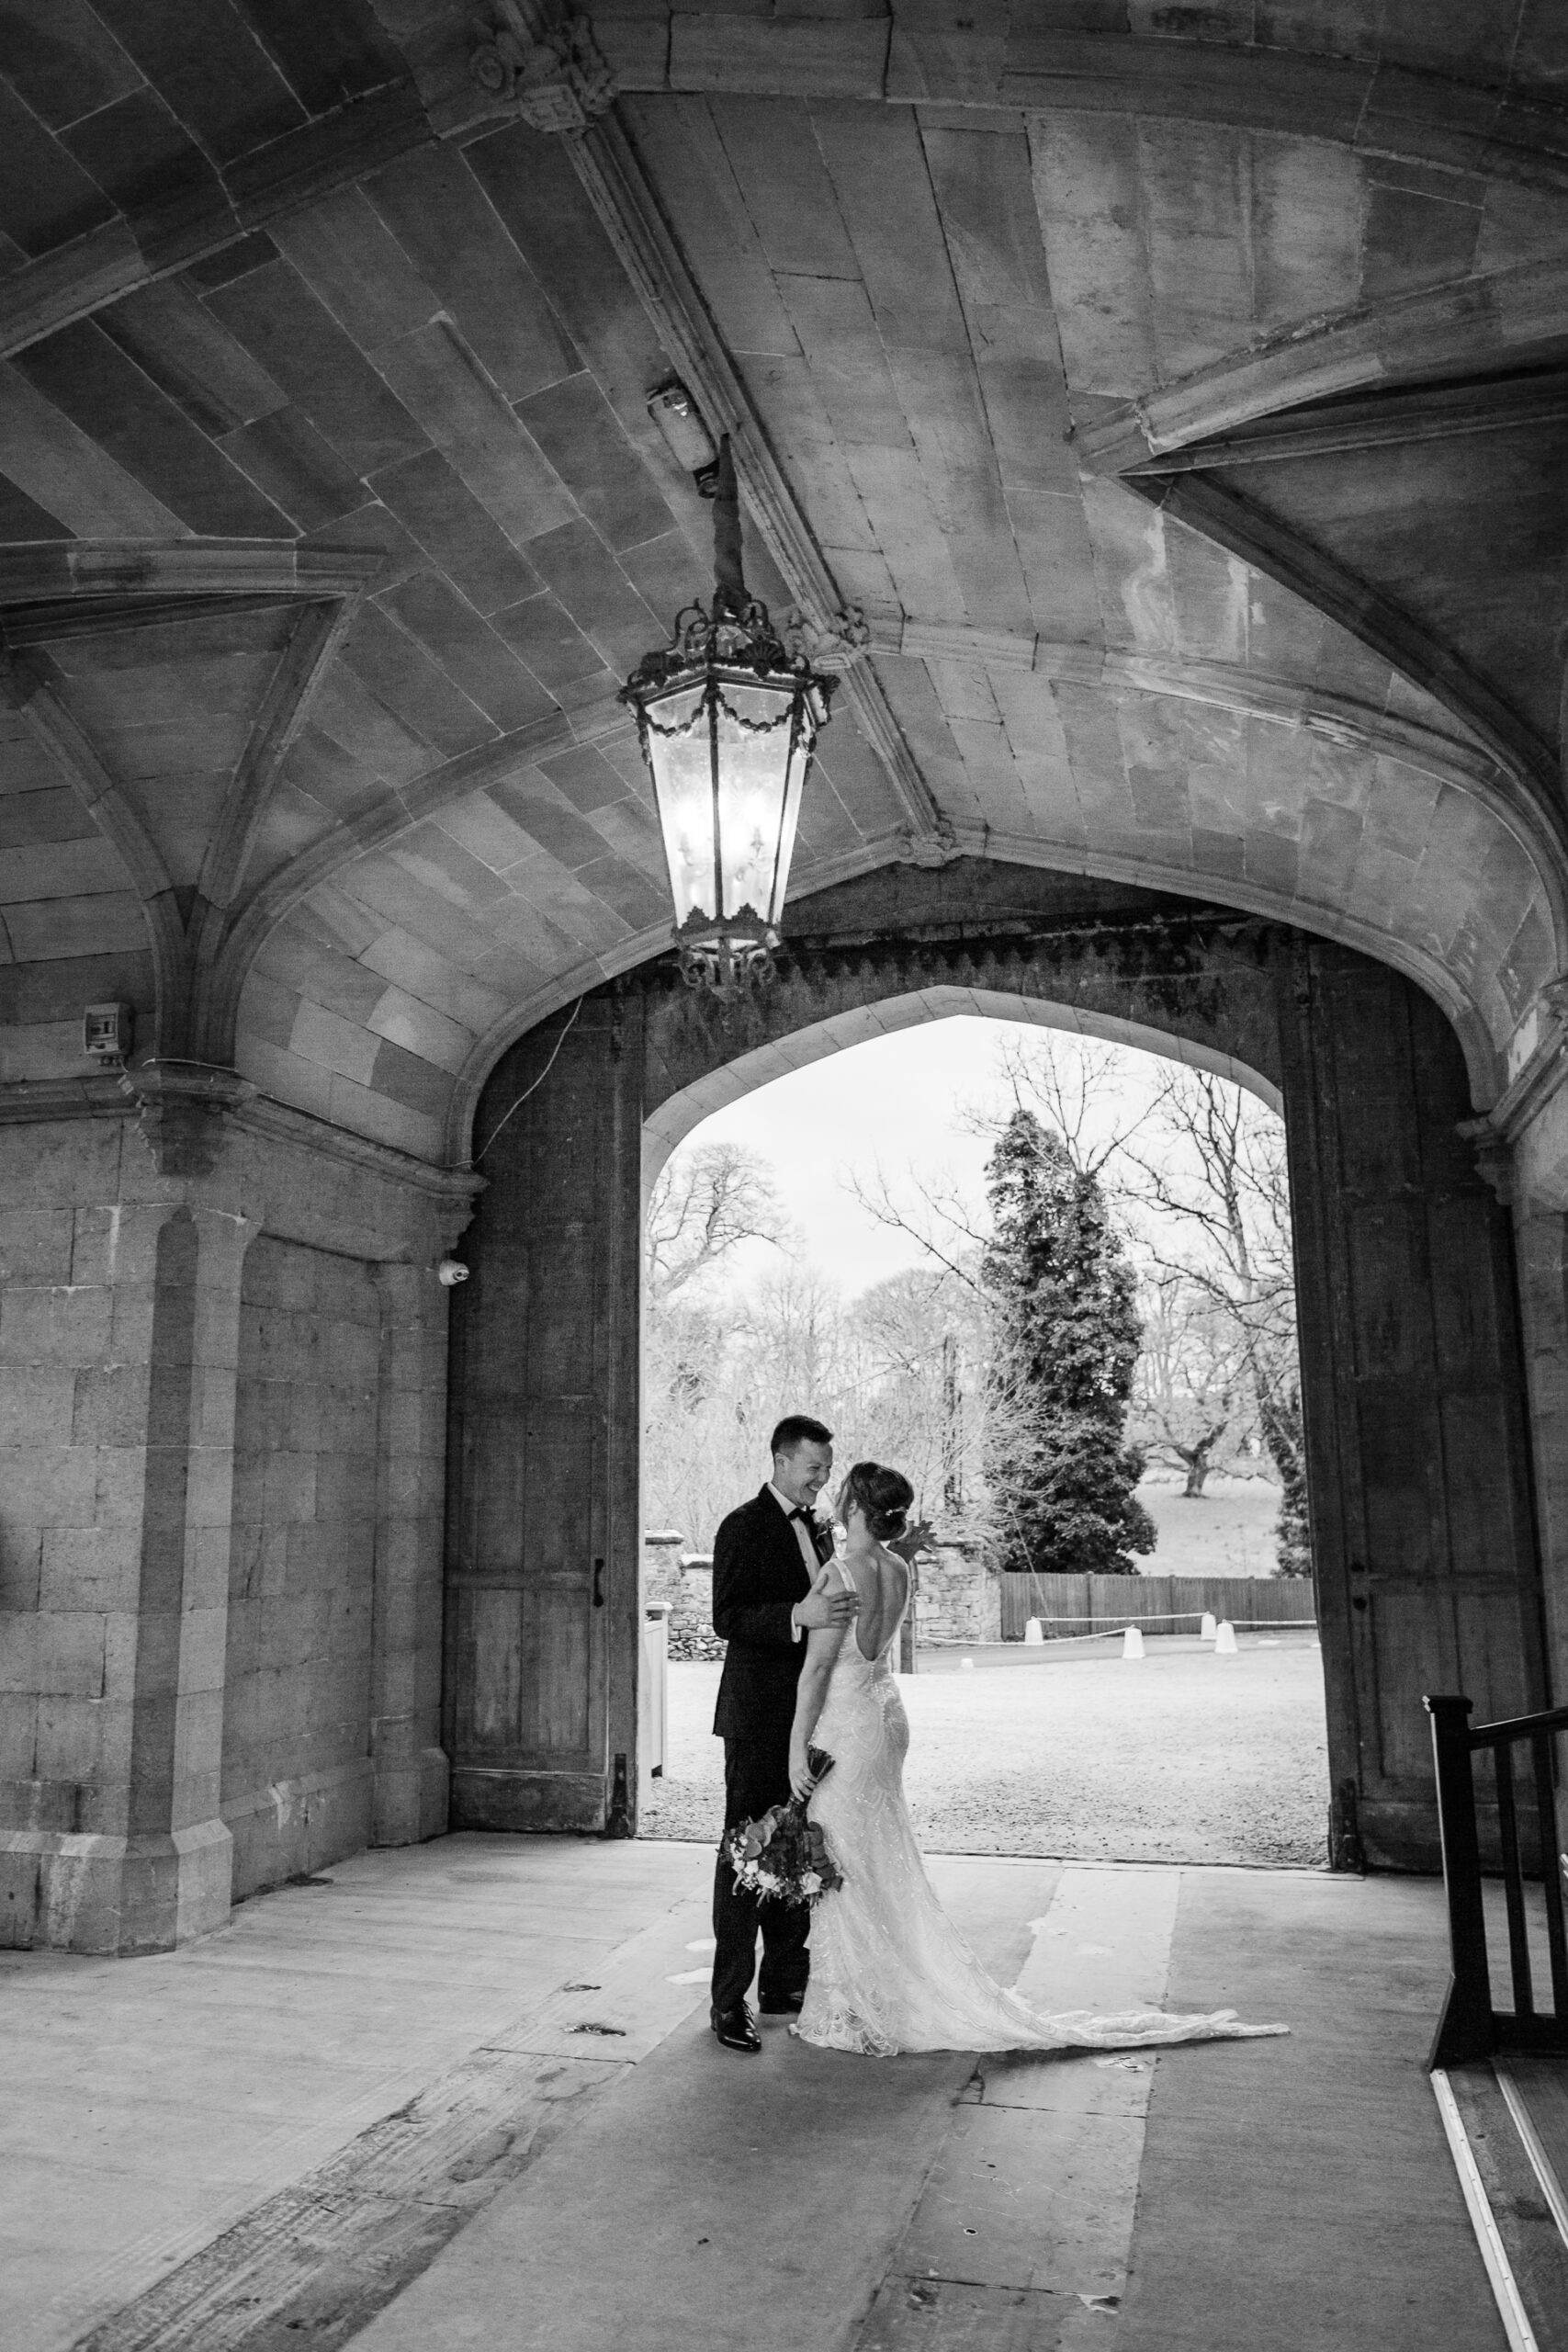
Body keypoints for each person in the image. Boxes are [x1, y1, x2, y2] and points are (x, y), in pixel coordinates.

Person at [787, 1461, 1288, 2058]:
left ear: (854, 1506)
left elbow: (817, 1668)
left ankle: (849, 2006)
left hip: (845, 1725)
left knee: (845, 1859)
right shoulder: (898, 1568)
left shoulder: (838, 1574)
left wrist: (796, 1748)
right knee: (880, 1854)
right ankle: (879, 1992)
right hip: (886, 1717)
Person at [708, 1414, 858, 2054]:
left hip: (807, 1718)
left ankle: (782, 1985)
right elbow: (726, 1616)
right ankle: (727, 2004)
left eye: (826, 1469)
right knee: (744, 1857)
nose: (821, 1482)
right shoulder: (741, 1527)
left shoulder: (821, 1528)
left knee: (796, 1845)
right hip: (754, 1717)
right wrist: (797, 1615)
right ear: (779, 1460)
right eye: (812, 1469)